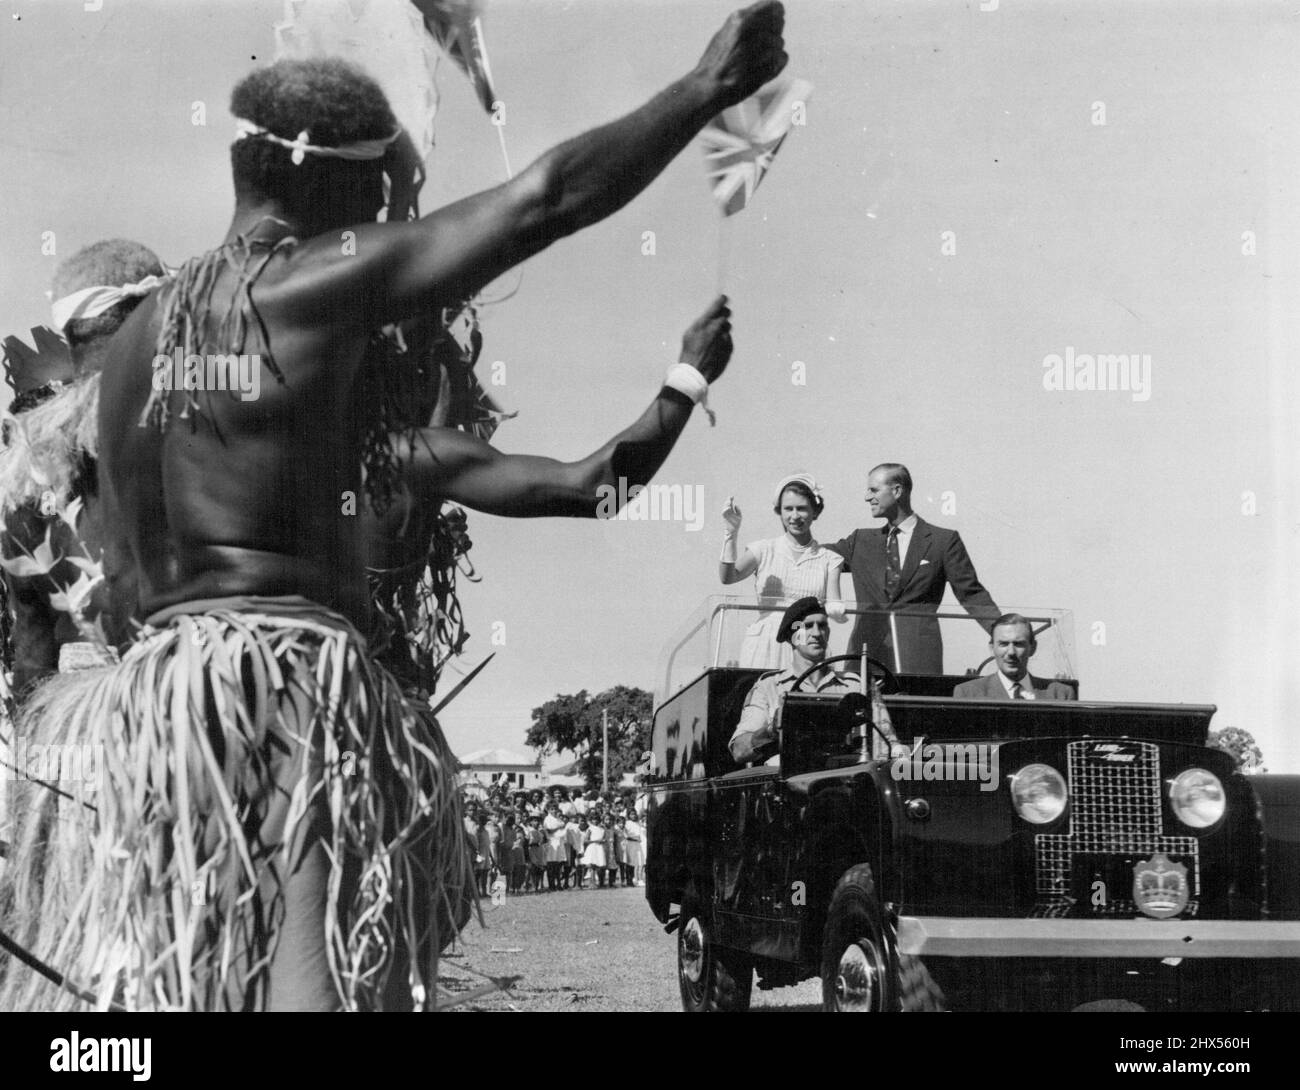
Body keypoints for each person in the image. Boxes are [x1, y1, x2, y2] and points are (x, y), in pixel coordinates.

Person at [14, 4, 784, 1012]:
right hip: (281, 690)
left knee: (173, 998)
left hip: (154, 715)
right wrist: (705, 89)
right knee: (312, 992)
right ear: (334, 189)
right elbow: (539, 202)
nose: (388, 219)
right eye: (379, 195)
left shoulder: (128, 351)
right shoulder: (301, 288)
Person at [0, 240, 166, 691]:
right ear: (159, 316)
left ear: (71, 332)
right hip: (185, 706)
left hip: (70, 720)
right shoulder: (192, 424)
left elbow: (32, 647)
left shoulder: (29, 463)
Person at [829, 463, 1000, 674]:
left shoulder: (943, 541)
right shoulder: (860, 541)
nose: (867, 497)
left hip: (918, 659)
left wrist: (1003, 632)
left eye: (873, 490)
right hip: (865, 658)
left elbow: (972, 594)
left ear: (897, 491)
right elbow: (816, 556)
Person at [719, 474, 845, 667]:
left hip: (804, 641)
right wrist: (730, 533)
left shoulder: (830, 559)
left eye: (802, 509)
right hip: (764, 643)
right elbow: (728, 577)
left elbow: (834, 606)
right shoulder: (763, 549)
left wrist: (837, 611)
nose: (794, 516)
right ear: (780, 511)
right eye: (788, 509)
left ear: (815, 512)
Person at [728, 597, 864, 766]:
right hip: (787, 782)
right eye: (807, 626)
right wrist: (773, 731)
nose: (816, 633)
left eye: (822, 626)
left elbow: (888, 743)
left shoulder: (854, 686)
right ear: (792, 636)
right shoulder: (769, 686)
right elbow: (739, 751)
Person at [954, 613, 1075, 700]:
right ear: (992, 649)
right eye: (1003, 644)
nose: (1011, 652)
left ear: (1032, 648)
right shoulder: (968, 694)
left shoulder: (1060, 694)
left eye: (1018, 644)